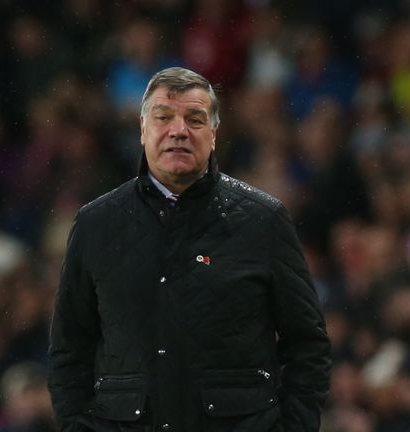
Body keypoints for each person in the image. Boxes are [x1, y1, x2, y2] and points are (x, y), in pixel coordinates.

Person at [47, 66, 331, 432]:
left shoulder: (264, 221)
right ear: (142, 130)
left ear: (213, 134)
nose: (178, 131)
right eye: (163, 117)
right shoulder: (94, 224)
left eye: (194, 120)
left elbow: (307, 344)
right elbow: (69, 348)